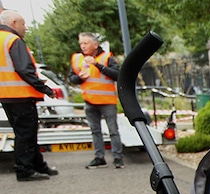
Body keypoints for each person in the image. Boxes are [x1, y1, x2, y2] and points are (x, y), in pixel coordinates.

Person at [0, 10, 59, 182]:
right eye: (23, 24)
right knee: (27, 134)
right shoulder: (13, 40)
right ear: (14, 23)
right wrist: (45, 88)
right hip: (20, 95)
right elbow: (24, 69)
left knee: (25, 133)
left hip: (7, 96)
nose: (25, 28)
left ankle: (38, 166)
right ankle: (25, 170)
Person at [69, 32, 123, 169]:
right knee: (95, 131)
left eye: (85, 43)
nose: (83, 46)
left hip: (107, 101)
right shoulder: (77, 59)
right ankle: (99, 157)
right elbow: (72, 78)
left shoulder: (106, 57)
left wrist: (98, 65)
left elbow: (117, 75)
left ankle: (118, 157)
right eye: (81, 43)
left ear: (95, 44)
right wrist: (80, 78)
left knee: (113, 130)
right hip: (89, 101)